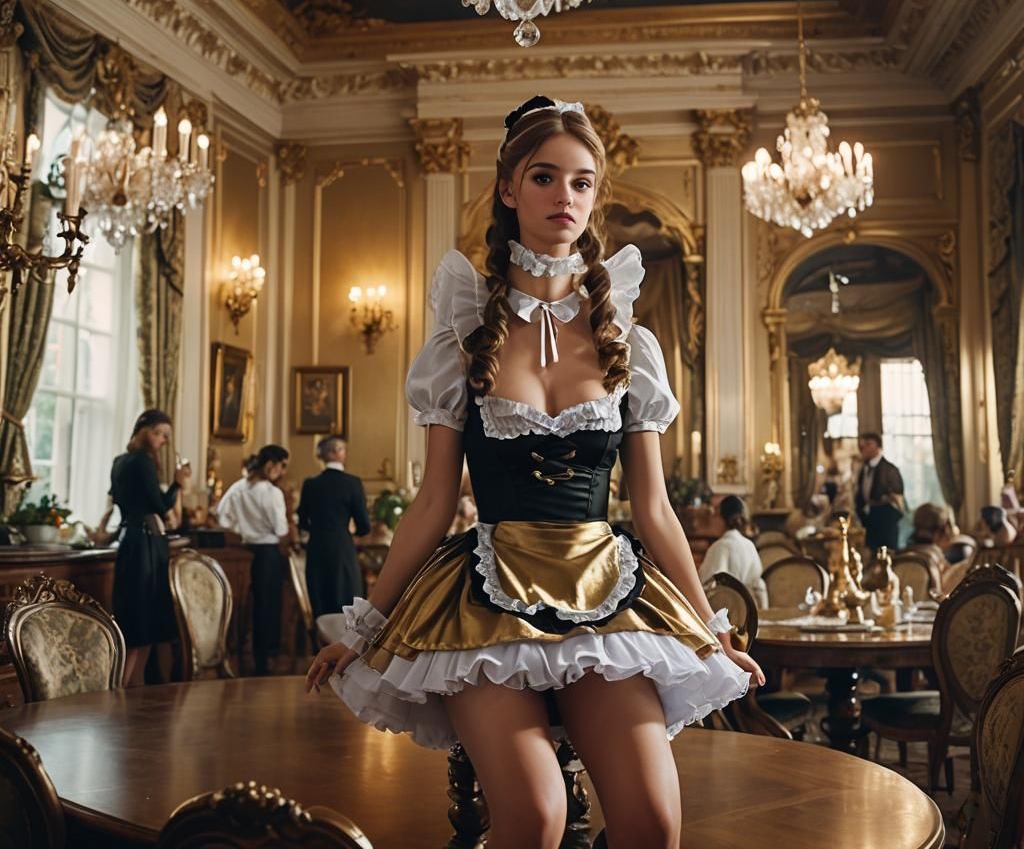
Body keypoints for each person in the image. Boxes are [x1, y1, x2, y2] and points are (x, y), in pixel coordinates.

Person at [306, 96, 761, 849]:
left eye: (582, 183)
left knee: (653, 821)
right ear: (509, 190)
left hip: (607, 589)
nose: (565, 197)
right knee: (536, 817)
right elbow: (432, 502)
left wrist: (711, 631)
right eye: (545, 177)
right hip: (484, 598)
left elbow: (653, 509)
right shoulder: (462, 336)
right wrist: (367, 626)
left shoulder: (629, 344)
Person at [109, 409, 191, 686]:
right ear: (144, 431)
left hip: (129, 541)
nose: (163, 440)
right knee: (143, 623)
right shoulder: (142, 462)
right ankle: (127, 691)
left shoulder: (119, 462)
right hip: (145, 544)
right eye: (160, 434)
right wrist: (178, 484)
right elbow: (159, 505)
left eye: (166, 436)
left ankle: (134, 689)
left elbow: (120, 501)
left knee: (137, 622)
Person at [216, 445, 293, 676]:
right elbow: (280, 529)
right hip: (268, 552)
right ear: (270, 465)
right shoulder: (271, 493)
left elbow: (222, 516)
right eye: (282, 467)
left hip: (245, 551)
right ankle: (266, 657)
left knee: (250, 606)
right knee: (269, 606)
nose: (282, 473)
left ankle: (246, 655)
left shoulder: (238, 488)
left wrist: (242, 529)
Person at [298, 436, 371, 619]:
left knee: (321, 601)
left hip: (316, 548)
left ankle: (321, 645)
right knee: (345, 602)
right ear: (337, 453)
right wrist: (350, 530)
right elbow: (364, 526)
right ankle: (345, 646)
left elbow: (302, 521)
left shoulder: (310, 484)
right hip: (342, 548)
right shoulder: (353, 483)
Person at [698, 496, 768, 609]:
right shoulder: (750, 545)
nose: (712, 520)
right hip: (751, 612)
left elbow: (705, 586)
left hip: (728, 614)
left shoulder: (719, 547)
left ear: (722, 518)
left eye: (715, 515)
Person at [854, 432, 905, 554]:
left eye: (868, 444)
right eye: (862, 445)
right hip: (870, 521)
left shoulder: (890, 470)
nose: (863, 448)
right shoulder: (863, 468)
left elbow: (897, 495)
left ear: (878, 447)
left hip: (887, 521)